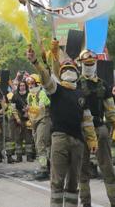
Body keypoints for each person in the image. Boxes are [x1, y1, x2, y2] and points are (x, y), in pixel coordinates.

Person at [28, 41, 97, 207]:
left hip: (78, 142)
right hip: (59, 139)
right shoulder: (56, 90)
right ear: (61, 73)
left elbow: (87, 120)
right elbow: (45, 78)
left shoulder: (81, 94)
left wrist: (92, 139)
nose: (68, 71)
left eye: (71, 69)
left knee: (73, 182)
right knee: (57, 181)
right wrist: (35, 62)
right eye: (65, 69)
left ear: (76, 72)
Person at [76, 49, 115, 207]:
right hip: (80, 131)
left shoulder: (103, 85)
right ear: (81, 63)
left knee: (107, 168)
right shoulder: (74, 84)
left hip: (100, 129)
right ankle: (85, 203)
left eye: (92, 62)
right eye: (86, 63)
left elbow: (111, 111)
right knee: (82, 171)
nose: (89, 65)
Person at [27, 74, 51, 181]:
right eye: (29, 84)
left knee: (40, 143)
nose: (30, 86)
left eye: (32, 83)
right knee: (38, 145)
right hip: (34, 122)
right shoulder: (29, 95)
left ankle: (44, 169)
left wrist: (30, 108)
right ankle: (47, 164)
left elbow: (41, 107)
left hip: (43, 120)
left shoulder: (42, 93)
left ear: (37, 83)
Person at [6, 80, 32, 163]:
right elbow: (13, 108)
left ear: (26, 86)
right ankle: (19, 157)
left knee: (28, 138)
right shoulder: (15, 96)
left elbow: (33, 105)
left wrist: (28, 112)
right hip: (17, 119)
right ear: (18, 87)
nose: (22, 87)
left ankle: (29, 156)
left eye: (24, 85)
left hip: (28, 118)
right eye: (20, 85)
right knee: (18, 138)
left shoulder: (30, 95)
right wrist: (17, 119)